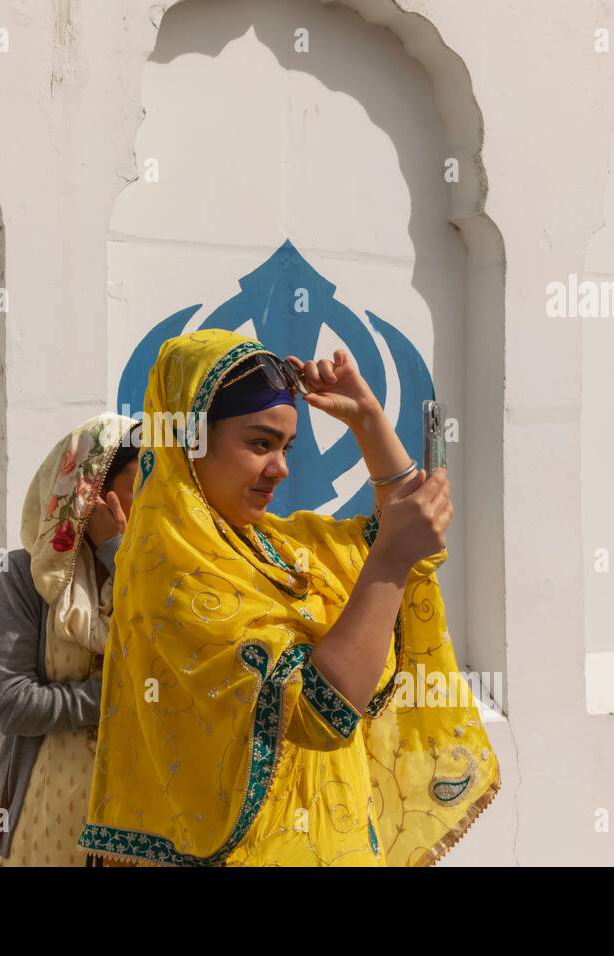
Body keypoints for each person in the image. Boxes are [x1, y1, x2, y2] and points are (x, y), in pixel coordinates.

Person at [78, 329, 500, 866]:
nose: (281, 468)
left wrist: (368, 418)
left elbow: (409, 545)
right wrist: (391, 559)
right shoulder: (169, 569)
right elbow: (319, 713)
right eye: (259, 443)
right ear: (190, 442)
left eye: (285, 447)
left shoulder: (273, 544)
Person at [0, 413, 139, 866]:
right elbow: (13, 706)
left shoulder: (157, 576)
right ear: (88, 490)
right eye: (140, 481)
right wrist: (116, 696)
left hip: (138, 828)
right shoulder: (23, 574)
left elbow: (164, 671)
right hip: (43, 822)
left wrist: (123, 559)